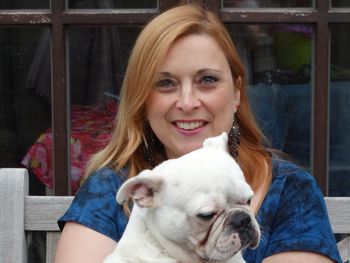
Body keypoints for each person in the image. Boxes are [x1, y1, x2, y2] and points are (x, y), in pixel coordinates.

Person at [54, 4, 342, 263]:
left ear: (237, 93)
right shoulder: (111, 187)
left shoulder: (289, 190)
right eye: (166, 83)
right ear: (142, 98)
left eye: (208, 80)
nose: (188, 102)